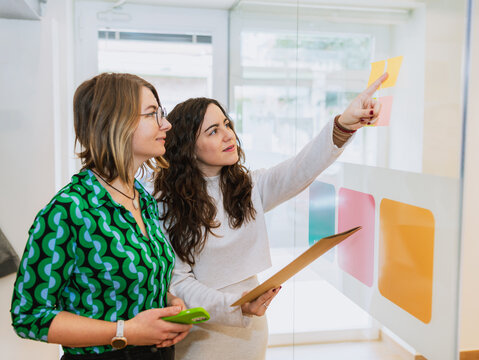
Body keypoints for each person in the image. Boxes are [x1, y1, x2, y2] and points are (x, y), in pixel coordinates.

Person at [152, 73, 388, 360]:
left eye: (226, 124)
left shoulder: (248, 186)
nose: (228, 134)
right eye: (212, 131)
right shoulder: (164, 204)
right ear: (188, 147)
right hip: (201, 331)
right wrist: (235, 307)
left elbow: (300, 169)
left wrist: (344, 125)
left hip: (251, 324)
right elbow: (178, 284)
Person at [10, 73, 192, 360]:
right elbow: (29, 316)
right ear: (115, 123)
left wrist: (169, 304)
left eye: (162, 113)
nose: (166, 124)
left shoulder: (141, 198)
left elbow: (134, 285)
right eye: (152, 114)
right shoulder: (68, 210)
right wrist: (126, 331)